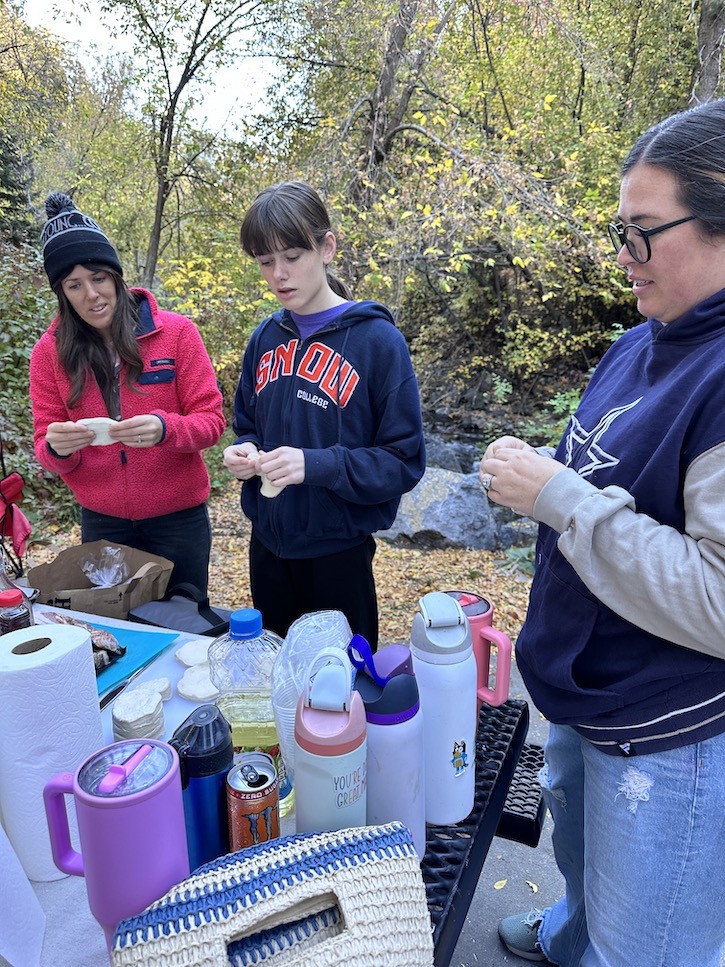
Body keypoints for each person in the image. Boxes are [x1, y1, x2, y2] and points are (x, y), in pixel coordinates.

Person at [480, 99, 725, 967]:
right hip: (586, 693)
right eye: (618, 229)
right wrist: (542, 474)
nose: (623, 256)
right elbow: (607, 480)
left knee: (650, 945)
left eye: (643, 233)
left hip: (669, 733)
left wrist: (562, 501)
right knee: (579, 855)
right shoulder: (643, 338)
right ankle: (569, 929)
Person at [223, 180, 425, 647]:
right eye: (265, 262)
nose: (279, 274)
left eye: (292, 257)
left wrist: (314, 464)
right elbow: (247, 425)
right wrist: (244, 451)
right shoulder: (264, 339)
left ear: (326, 247)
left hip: (340, 556)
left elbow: (403, 460)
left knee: (340, 694)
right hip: (268, 548)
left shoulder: (378, 343)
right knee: (275, 679)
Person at [30, 192, 225, 595]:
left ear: (116, 276)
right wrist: (60, 448)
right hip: (103, 522)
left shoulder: (176, 334)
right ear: (62, 293)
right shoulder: (48, 353)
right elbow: (44, 446)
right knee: (119, 632)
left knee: (184, 626)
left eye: (98, 278)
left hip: (179, 520)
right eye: (74, 285)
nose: (91, 295)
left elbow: (212, 422)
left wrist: (164, 428)